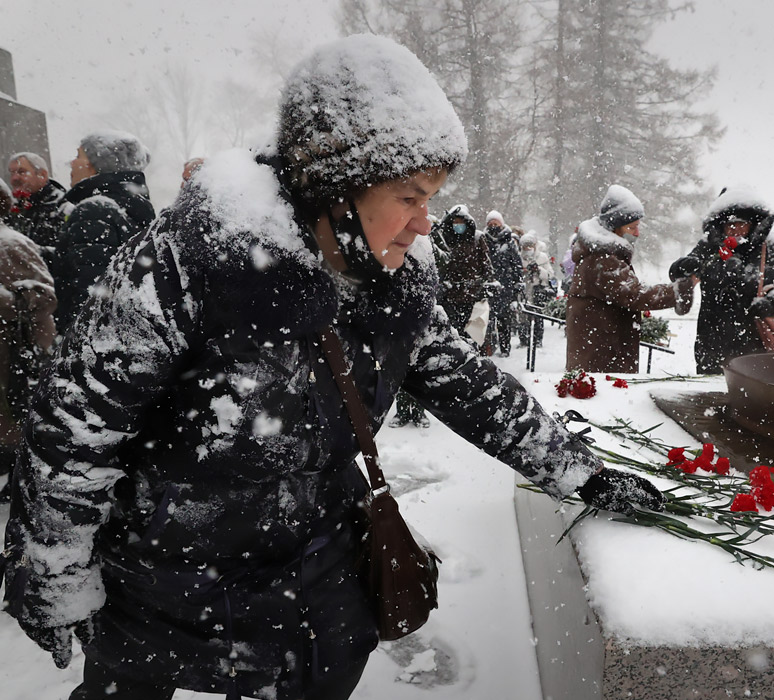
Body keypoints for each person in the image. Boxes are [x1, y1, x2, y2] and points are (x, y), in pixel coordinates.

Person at [2, 34, 663, 700]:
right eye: (410, 197)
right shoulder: (178, 265)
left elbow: (472, 385)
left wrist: (579, 472)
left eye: (430, 198)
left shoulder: (392, 282)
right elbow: (74, 428)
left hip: (312, 585)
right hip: (161, 584)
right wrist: (53, 578)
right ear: (338, 190)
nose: (424, 224)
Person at [670, 189, 774, 374]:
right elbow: (678, 273)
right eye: (730, 225)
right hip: (712, 341)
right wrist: (683, 267)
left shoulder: (773, 246)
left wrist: (772, 302)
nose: (735, 230)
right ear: (721, 225)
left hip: (756, 341)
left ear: (753, 224)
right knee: (711, 395)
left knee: (755, 394)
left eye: (741, 224)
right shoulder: (709, 245)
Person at [566, 184, 694, 373]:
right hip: (601, 356)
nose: (637, 233)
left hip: (596, 353)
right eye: (632, 227)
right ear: (615, 227)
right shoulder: (603, 258)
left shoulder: (601, 254)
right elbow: (634, 294)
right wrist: (679, 290)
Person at [54, 130, 155, 336]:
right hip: (126, 337)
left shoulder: (94, 209)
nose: (71, 163)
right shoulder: (131, 205)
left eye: (78, 155)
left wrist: (74, 346)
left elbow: (90, 292)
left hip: (94, 343)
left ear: (96, 164)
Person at [0, 179, 56, 500]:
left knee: (14, 429)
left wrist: (6, 300)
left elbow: (44, 296)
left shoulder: (11, 243)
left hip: (13, 354)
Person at [436, 203, 495, 348]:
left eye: (460, 222)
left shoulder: (477, 238)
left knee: (472, 331)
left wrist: (482, 282)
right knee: (452, 330)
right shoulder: (445, 238)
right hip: (449, 294)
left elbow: (486, 265)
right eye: (455, 222)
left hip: (472, 294)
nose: (458, 225)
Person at [6, 152, 67, 271]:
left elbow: (69, 255)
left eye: (21, 172)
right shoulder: (12, 211)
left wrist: (26, 251)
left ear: (42, 175)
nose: (14, 178)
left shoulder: (63, 208)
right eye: (11, 173)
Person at [483, 209, 522, 356]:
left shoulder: (509, 243)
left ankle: (505, 348)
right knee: (486, 319)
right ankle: (488, 347)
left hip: (506, 287)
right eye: (490, 223)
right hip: (488, 286)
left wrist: (517, 284)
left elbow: (516, 265)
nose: (493, 226)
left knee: (504, 320)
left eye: (496, 223)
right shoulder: (483, 240)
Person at [517, 230, 555, 349]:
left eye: (530, 246)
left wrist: (538, 270)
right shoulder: (518, 257)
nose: (528, 249)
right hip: (524, 291)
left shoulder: (542, 257)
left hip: (538, 291)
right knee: (523, 316)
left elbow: (550, 275)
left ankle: (538, 340)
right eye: (525, 246)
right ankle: (524, 340)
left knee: (538, 316)